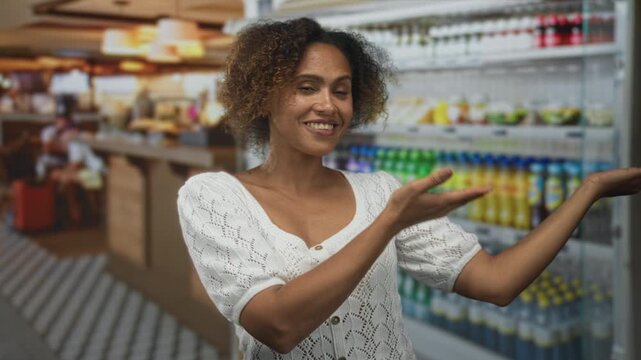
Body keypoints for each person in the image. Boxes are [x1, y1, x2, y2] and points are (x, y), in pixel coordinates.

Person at [177, 18, 641, 359]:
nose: (328, 104)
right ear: (262, 96)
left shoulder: (381, 190)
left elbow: (496, 283)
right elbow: (277, 324)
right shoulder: (213, 197)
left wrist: (589, 190)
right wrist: (387, 225)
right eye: (306, 87)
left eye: (341, 90)